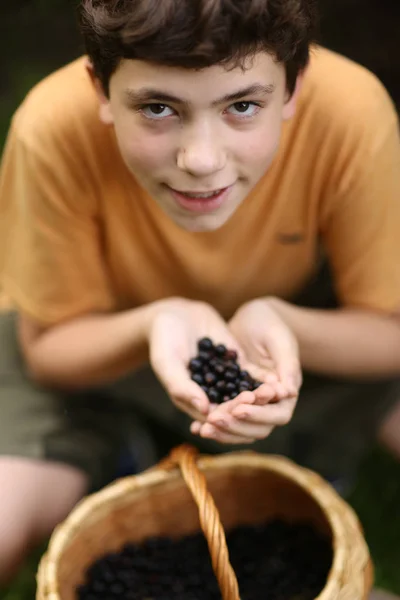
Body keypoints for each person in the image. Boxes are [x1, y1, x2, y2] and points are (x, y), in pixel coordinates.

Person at [0, 0, 399, 596]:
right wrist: (157, 320)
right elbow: (48, 349)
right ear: (101, 88)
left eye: (242, 106)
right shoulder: (50, 129)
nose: (202, 160)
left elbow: (387, 334)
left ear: (293, 87)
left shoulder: (352, 112)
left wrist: (284, 321)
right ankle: (119, 442)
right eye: (158, 108)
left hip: (307, 331)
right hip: (103, 341)